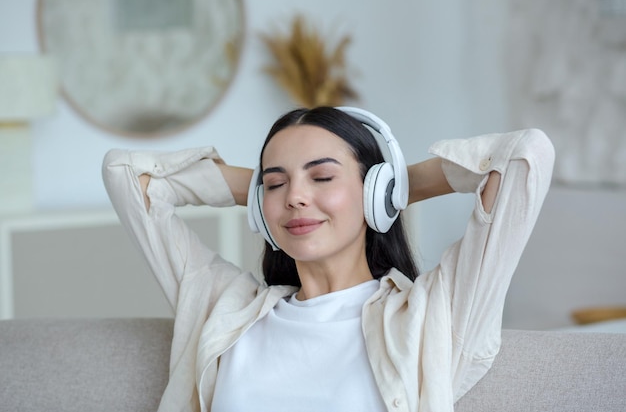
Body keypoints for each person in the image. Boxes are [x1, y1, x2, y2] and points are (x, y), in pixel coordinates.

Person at [102, 106, 555, 412]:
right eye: (277, 184)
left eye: (322, 177)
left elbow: (524, 156)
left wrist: (392, 188)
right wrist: (262, 193)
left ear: (376, 189)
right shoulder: (224, 308)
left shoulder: (431, 316)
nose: (296, 196)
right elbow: (126, 174)